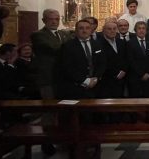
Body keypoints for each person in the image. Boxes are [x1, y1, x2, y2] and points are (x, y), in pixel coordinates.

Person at [30, 9, 69, 155]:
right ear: (44, 20)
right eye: (51, 19)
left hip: (63, 79)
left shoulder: (63, 34)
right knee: (49, 111)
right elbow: (53, 49)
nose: (54, 21)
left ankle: (62, 139)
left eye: (57, 19)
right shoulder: (38, 35)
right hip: (48, 78)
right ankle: (46, 141)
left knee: (64, 110)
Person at [58, 19, 107, 99]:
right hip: (76, 87)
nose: (84, 31)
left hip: (96, 87)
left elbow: (102, 63)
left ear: (91, 30)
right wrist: (85, 81)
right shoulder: (68, 46)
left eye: (87, 28)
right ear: (76, 30)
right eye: (81, 28)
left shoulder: (98, 44)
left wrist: (96, 78)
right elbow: (67, 67)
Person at [126, 21, 149, 99]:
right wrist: (141, 74)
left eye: (143, 28)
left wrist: (148, 73)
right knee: (136, 100)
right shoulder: (130, 43)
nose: (141, 30)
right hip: (136, 76)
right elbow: (131, 61)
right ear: (135, 30)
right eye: (139, 28)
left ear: (146, 30)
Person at [97, 22, 127, 100]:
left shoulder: (121, 42)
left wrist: (124, 70)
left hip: (121, 80)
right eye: (109, 29)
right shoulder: (97, 44)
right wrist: (115, 73)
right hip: (106, 81)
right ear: (103, 30)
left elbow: (126, 58)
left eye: (114, 29)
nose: (112, 31)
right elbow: (100, 62)